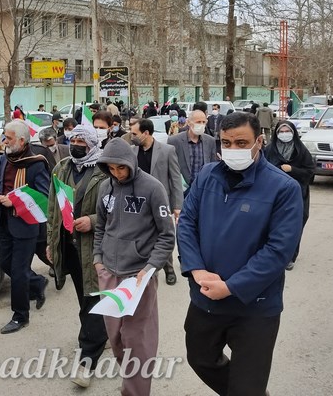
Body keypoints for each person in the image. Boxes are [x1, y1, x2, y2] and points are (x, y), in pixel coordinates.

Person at [177, 112, 303, 396]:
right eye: (226, 143)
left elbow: (278, 250)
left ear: (259, 141)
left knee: (248, 386)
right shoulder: (207, 176)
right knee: (201, 359)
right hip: (206, 298)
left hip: (255, 308)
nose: (232, 149)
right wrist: (196, 269)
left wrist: (232, 287)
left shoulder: (283, 188)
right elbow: (186, 223)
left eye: (241, 143)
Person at [93, 138, 175, 396]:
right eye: (111, 168)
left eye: (121, 167)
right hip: (108, 272)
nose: (117, 173)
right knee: (116, 338)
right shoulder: (105, 187)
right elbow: (100, 226)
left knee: (137, 341)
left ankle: (135, 391)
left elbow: (167, 235)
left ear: (131, 162)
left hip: (138, 277)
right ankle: (132, 380)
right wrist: (97, 259)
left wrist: (149, 268)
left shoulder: (153, 188)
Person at [46, 125, 108, 388]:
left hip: (94, 247)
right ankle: (98, 334)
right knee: (84, 296)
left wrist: (92, 220)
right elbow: (52, 208)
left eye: (82, 142)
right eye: (73, 140)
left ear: (92, 144)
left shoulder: (105, 170)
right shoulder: (62, 168)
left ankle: (87, 360)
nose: (76, 145)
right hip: (69, 247)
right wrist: (51, 242)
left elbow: (114, 209)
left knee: (93, 298)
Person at [0, 121, 50, 334]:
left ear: (22, 140)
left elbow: (44, 197)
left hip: (26, 225)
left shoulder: (36, 164)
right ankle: (38, 282)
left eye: (8, 138)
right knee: (6, 263)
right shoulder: (6, 158)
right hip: (5, 222)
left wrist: (15, 202)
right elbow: (1, 183)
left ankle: (20, 316)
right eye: (4, 136)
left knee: (18, 271)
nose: (4, 141)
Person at [131, 118, 183, 286]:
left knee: (163, 235)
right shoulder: (132, 151)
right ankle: (144, 268)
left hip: (160, 202)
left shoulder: (167, 150)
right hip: (138, 202)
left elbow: (175, 179)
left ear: (146, 133)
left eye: (135, 134)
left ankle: (169, 269)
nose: (132, 137)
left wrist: (177, 205)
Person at [264, 120, 314, 270]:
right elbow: (262, 169)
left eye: (288, 131)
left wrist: (292, 169)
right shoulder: (269, 150)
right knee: (272, 224)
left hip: (298, 193)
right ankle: (270, 255)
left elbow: (310, 171)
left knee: (294, 225)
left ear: (293, 133)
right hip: (274, 193)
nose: (284, 134)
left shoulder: (301, 151)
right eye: (281, 131)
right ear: (276, 133)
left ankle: (290, 257)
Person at [168, 109, 217, 195]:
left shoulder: (210, 141)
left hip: (204, 189)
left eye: (204, 122)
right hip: (183, 189)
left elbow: (213, 165)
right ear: (189, 122)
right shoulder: (175, 141)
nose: (201, 125)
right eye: (198, 122)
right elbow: (170, 167)